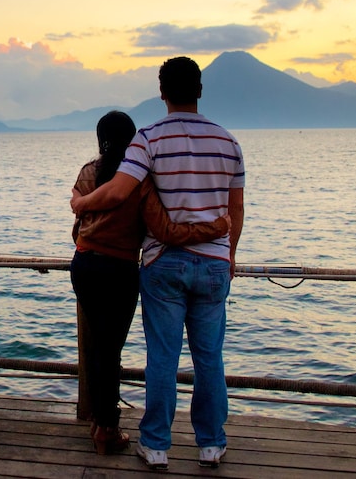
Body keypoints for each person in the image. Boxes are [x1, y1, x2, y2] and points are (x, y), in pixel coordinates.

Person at [71, 57, 245, 470]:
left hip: (163, 263)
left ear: (161, 92)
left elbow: (116, 194)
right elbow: (235, 211)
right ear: (200, 90)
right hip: (214, 263)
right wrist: (230, 254)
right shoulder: (229, 142)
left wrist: (79, 203)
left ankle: (156, 445)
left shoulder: (147, 139)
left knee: (162, 356)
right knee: (210, 356)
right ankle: (211, 444)